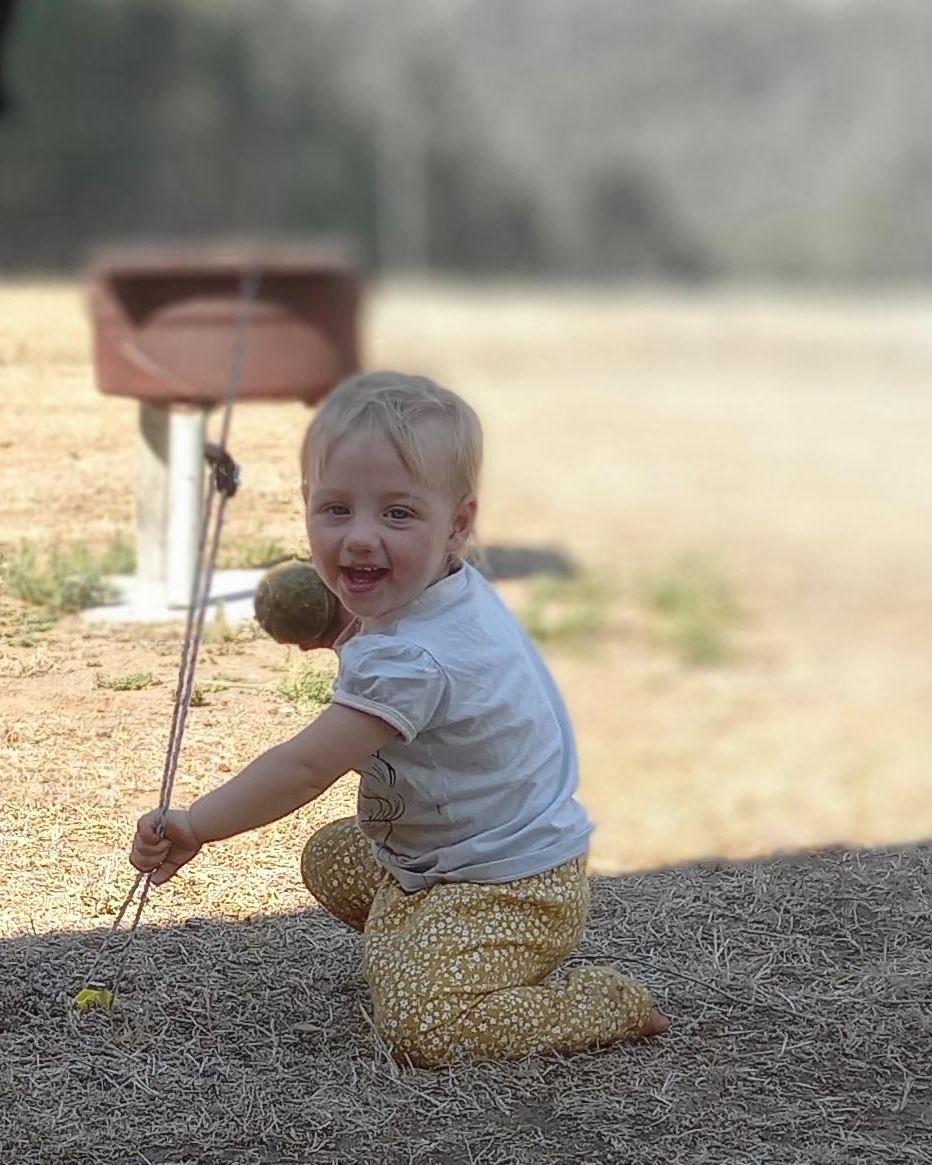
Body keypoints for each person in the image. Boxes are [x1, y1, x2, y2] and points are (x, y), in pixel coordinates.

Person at [126, 370, 664, 1067]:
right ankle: (421, 937)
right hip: (441, 858)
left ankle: (598, 1003)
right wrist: (338, 625)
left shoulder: (415, 658)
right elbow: (384, 646)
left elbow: (306, 766)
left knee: (424, 1026)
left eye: (398, 515)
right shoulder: (437, 594)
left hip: (513, 888)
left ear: (458, 525)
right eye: (336, 510)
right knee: (328, 856)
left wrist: (197, 825)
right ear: (305, 506)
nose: (360, 538)